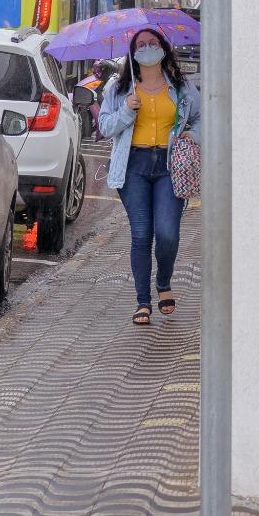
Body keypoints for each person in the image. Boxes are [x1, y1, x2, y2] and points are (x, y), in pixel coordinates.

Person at [99, 28, 201, 326]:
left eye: (152, 43)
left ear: (163, 49)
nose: (147, 48)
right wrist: (127, 112)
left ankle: (164, 282)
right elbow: (105, 126)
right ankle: (143, 302)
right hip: (133, 166)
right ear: (133, 53)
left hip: (170, 166)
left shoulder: (181, 87)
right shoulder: (118, 90)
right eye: (140, 45)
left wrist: (193, 136)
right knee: (142, 233)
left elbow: (200, 117)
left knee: (167, 233)